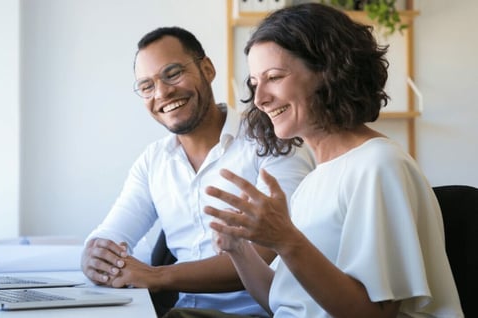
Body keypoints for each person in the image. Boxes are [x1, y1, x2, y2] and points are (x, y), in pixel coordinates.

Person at [165, 3, 463, 318]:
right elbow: (283, 301)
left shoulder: (379, 165)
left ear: (328, 72)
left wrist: (286, 239)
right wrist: (238, 249)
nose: (260, 98)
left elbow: (374, 314)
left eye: (274, 77)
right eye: (255, 83)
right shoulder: (315, 179)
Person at [81, 26, 315, 317]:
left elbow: (272, 249)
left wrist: (158, 276)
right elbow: (112, 234)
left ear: (207, 69)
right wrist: (94, 255)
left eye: (173, 73)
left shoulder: (273, 141)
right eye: (147, 86)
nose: (163, 93)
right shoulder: (154, 160)